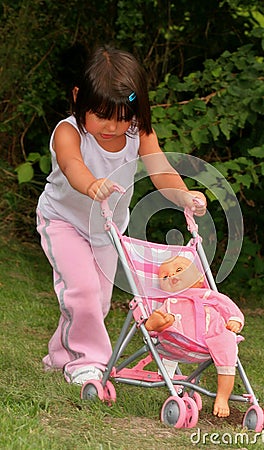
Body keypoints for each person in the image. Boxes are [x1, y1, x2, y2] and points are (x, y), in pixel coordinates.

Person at [36, 45, 206, 385]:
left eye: (123, 117)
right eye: (101, 115)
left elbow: (160, 170)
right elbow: (72, 166)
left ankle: (59, 353)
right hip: (63, 222)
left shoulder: (138, 131)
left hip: (108, 229)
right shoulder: (68, 132)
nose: (113, 127)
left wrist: (184, 195)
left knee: (95, 303)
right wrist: (91, 185)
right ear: (78, 97)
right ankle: (89, 363)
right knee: (81, 291)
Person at [145, 256, 244, 418]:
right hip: (179, 339)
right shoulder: (171, 301)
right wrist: (159, 323)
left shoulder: (208, 295)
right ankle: (156, 324)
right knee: (168, 321)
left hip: (214, 335)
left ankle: (222, 397)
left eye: (178, 270)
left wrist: (234, 320)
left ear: (199, 278)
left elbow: (228, 307)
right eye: (165, 277)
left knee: (226, 340)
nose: (171, 276)